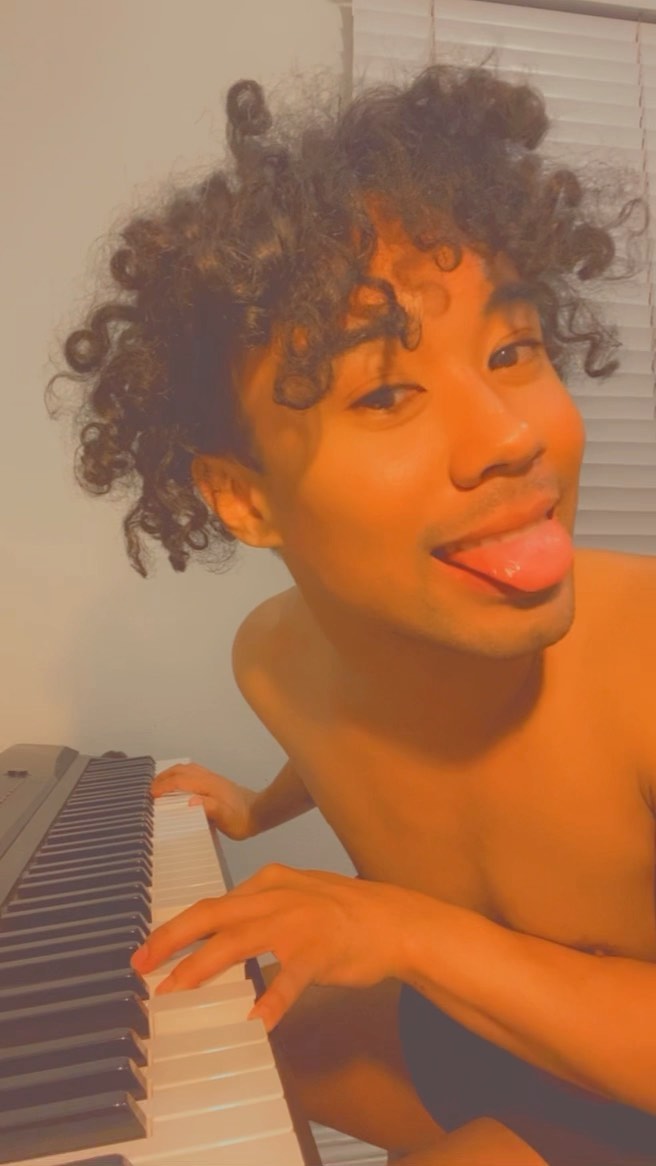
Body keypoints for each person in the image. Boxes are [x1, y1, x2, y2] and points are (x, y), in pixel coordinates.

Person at [49, 64, 656, 1165]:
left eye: (512, 351)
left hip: (622, 1086)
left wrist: (403, 930)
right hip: (461, 1022)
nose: (509, 435)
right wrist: (256, 805)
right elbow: (356, 723)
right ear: (243, 499)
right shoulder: (274, 659)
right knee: (191, 1055)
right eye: (385, 392)